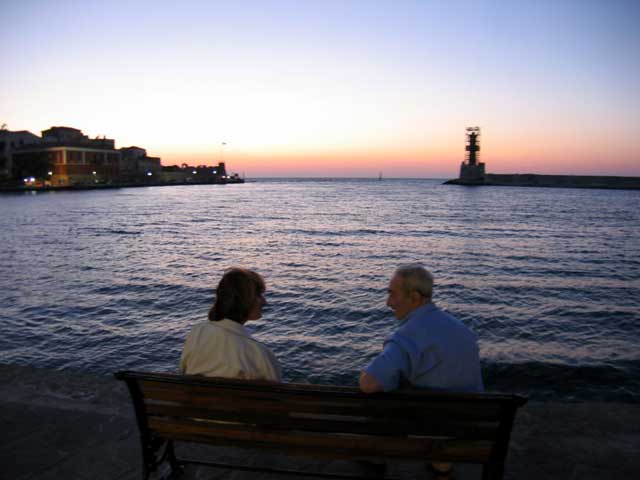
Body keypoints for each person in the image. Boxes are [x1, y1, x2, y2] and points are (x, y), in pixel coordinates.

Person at [359, 264, 483, 478]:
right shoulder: (463, 330)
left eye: (392, 294)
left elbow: (368, 384)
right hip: (470, 424)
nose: (388, 302)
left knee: (379, 396)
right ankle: (442, 464)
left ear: (415, 298)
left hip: (427, 426)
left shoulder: (407, 336)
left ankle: (377, 457)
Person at [180, 267, 282, 382]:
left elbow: (183, 370)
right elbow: (277, 394)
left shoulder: (197, 333)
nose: (264, 302)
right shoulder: (259, 354)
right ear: (244, 301)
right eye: (258, 295)